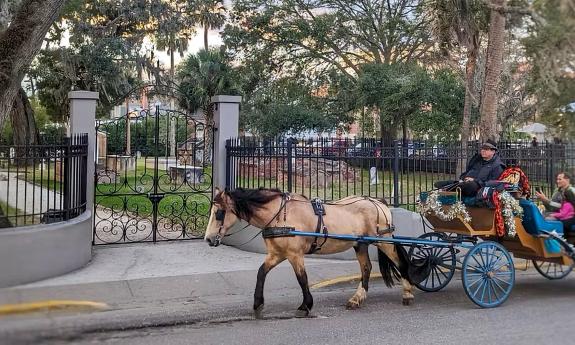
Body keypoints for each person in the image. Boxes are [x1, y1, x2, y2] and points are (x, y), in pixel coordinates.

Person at [434, 139, 506, 197]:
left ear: (493, 151)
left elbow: (494, 183)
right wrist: (463, 178)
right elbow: (467, 172)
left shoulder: (498, 166)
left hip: (478, 187)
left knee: (470, 186)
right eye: (482, 149)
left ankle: (453, 189)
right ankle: (452, 188)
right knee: (438, 184)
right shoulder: (477, 160)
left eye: (486, 149)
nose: (483, 151)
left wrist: (475, 181)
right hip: (465, 183)